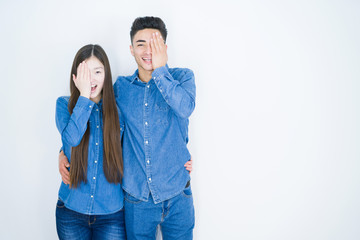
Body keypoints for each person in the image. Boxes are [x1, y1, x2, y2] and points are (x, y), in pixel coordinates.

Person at [59, 16, 195, 239]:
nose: (148, 50)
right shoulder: (120, 88)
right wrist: (62, 153)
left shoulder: (182, 77)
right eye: (141, 44)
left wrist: (160, 71)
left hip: (178, 193)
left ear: (165, 48)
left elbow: (185, 108)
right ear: (131, 50)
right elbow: (95, 124)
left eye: (155, 43)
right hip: (136, 200)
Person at [55, 44, 126, 240]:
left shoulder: (119, 110)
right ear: (76, 76)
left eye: (98, 71)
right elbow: (72, 139)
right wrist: (84, 96)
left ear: (106, 75)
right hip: (71, 211)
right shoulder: (63, 105)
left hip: (111, 214)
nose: (92, 79)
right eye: (86, 72)